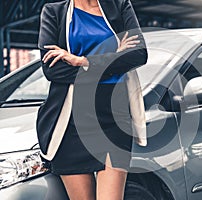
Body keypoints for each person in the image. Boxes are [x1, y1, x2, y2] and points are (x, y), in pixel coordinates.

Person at [37, 0, 148, 199]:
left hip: (114, 118)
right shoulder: (54, 12)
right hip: (71, 124)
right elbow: (53, 70)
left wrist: (84, 61)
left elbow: (139, 54)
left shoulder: (120, 5)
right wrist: (115, 57)